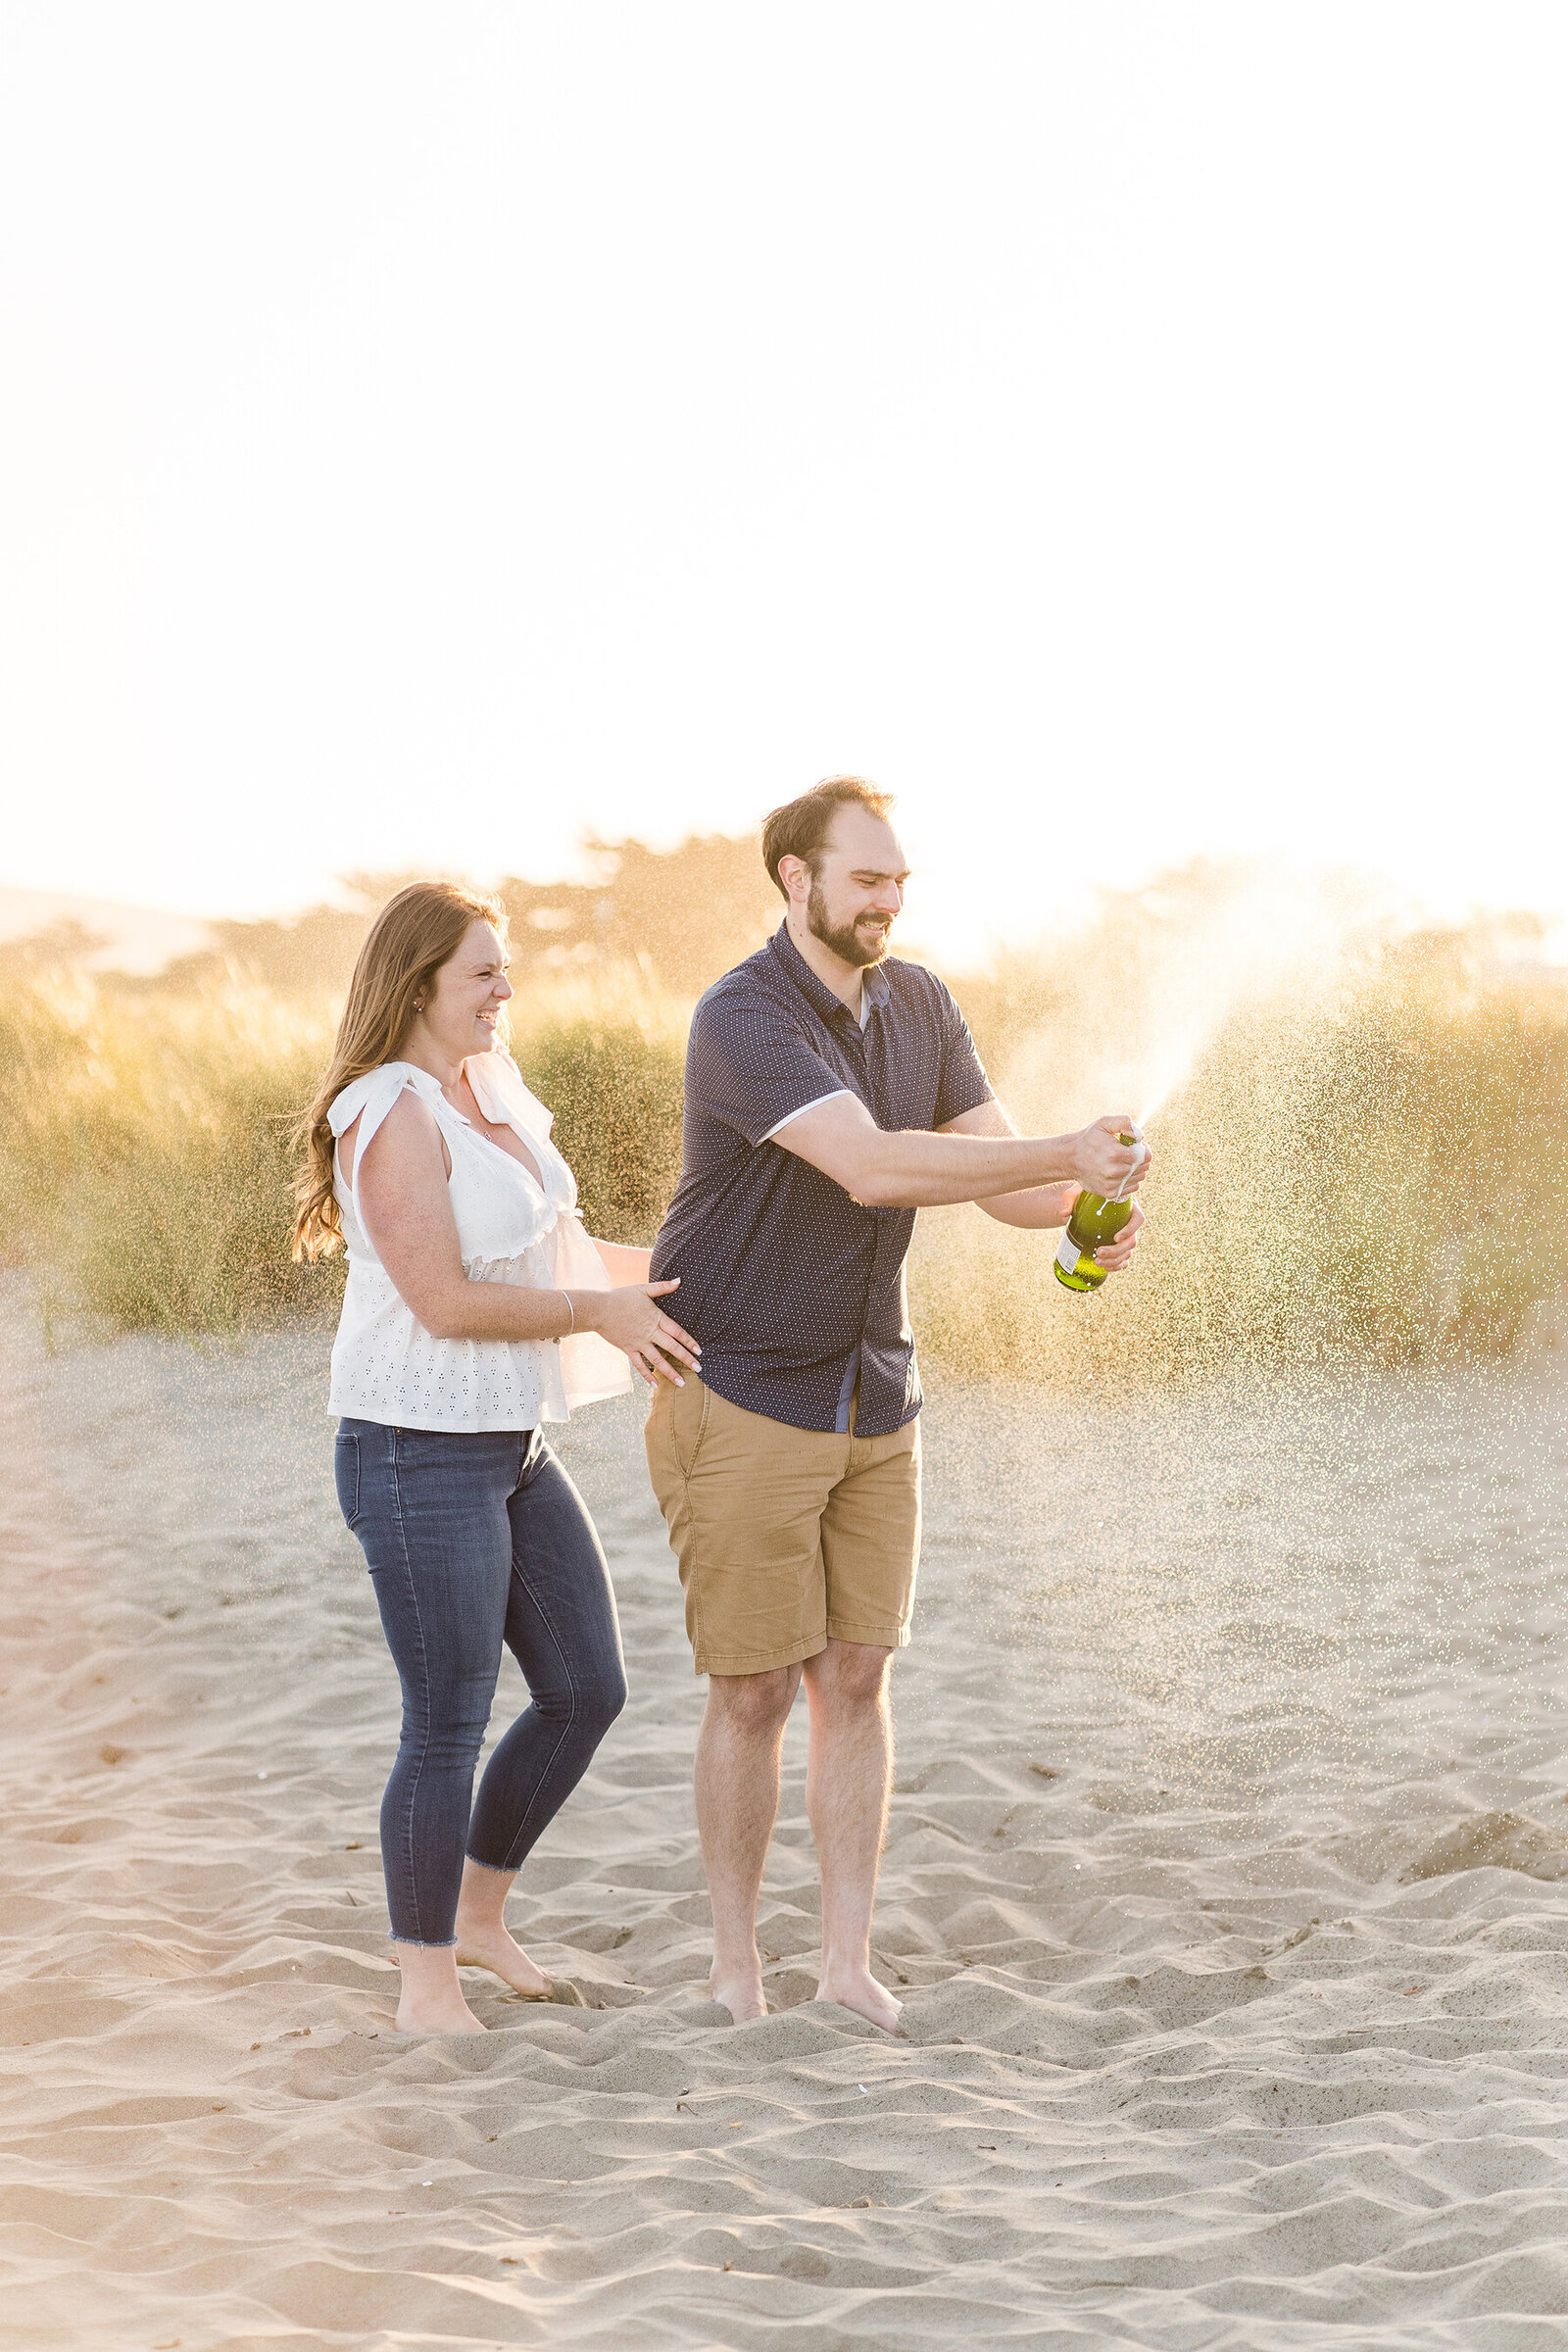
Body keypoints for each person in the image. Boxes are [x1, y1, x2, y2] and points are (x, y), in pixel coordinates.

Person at [645, 778, 1149, 2031]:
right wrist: (1058, 1156)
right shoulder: (741, 1018)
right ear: (794, 879)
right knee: (752, 1693)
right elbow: (872, 1165)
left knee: (857, 1677)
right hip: (744, 1391)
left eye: (898, 881)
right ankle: (734, 1972)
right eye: (866, 878)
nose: (888, 900)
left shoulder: (919, 1001)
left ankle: (845, 1965)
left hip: (876, 1395)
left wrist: (1091, 1198)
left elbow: (1006, 1181)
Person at [293, 881, 700, 2034]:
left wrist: (693, 1279)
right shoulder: (390, 1110)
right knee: (448, 1719)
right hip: (412, 1453)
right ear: (418, 983)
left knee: (585, 1689)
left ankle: (479, 1919)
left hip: (510, 1446)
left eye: (504, 968)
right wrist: (595, 1314)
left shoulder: (489, 1092)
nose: (505, 989)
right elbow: (442, 1300)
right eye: (482, 972)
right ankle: (426, 1984)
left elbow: (557, 1252)